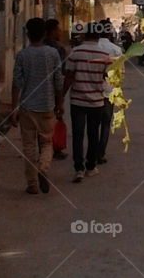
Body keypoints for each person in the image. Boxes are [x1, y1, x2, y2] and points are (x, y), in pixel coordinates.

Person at [10, 17, 64, 195]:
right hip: (47, 106)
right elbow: (58, 82)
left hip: (27, 106)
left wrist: (14, 107)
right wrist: (60, 104)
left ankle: (32, 184)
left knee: (29, 146)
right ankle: (44, 167)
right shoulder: (53, 54)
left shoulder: (22, 55)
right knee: (47, 142)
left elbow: (17, 82)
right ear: (44, 34)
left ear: (27, 34)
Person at [63, 23, 112, 183]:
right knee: (93, 134)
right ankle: (91, 166)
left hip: (77, 100)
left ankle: (79, 168)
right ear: (99, 36)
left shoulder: (75, 52)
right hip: (96, 101)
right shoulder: (105, 55)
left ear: (84, 34)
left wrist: (60, 98)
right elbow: (107, 77)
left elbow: (69, 76)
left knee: (77, 135)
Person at [95, 22, 122, 165]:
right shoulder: (116, 50)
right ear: (110, 32)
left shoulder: (92, 48)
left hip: (92, 91)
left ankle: (91, 153)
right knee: (105, 124)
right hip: (109, 92)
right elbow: (120, 74)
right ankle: (101, 154)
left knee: (92, 124)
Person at [44, 18, 68, 158]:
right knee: (53, 119)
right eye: (58, 29)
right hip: (53, 90)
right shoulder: (58, 49)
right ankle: (52, 149)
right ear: (52, 31)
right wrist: (61, 98)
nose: (60, 32)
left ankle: (43, 149)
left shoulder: (36, 46)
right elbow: (60, 75)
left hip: (38, 91)